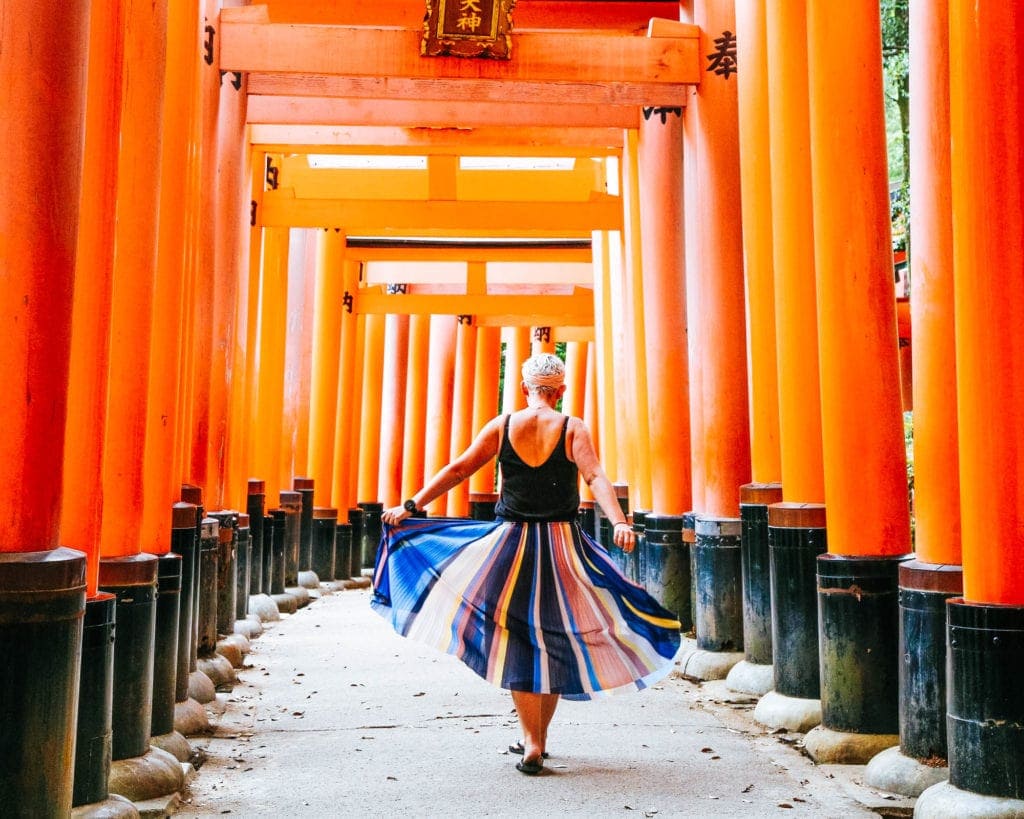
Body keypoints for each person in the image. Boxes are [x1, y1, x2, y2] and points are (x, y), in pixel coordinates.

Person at [374, 353, 681, 776]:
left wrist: (412, 505)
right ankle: (539, 739)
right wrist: (620, 521)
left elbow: (460, 469)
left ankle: (530, 740)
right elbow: (595, 477)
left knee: (518, 639)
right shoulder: (573, 428)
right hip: (562, 548)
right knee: (555, 637)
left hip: (510, 546)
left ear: (524, 389)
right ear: (561, 391)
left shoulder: (502, 427)